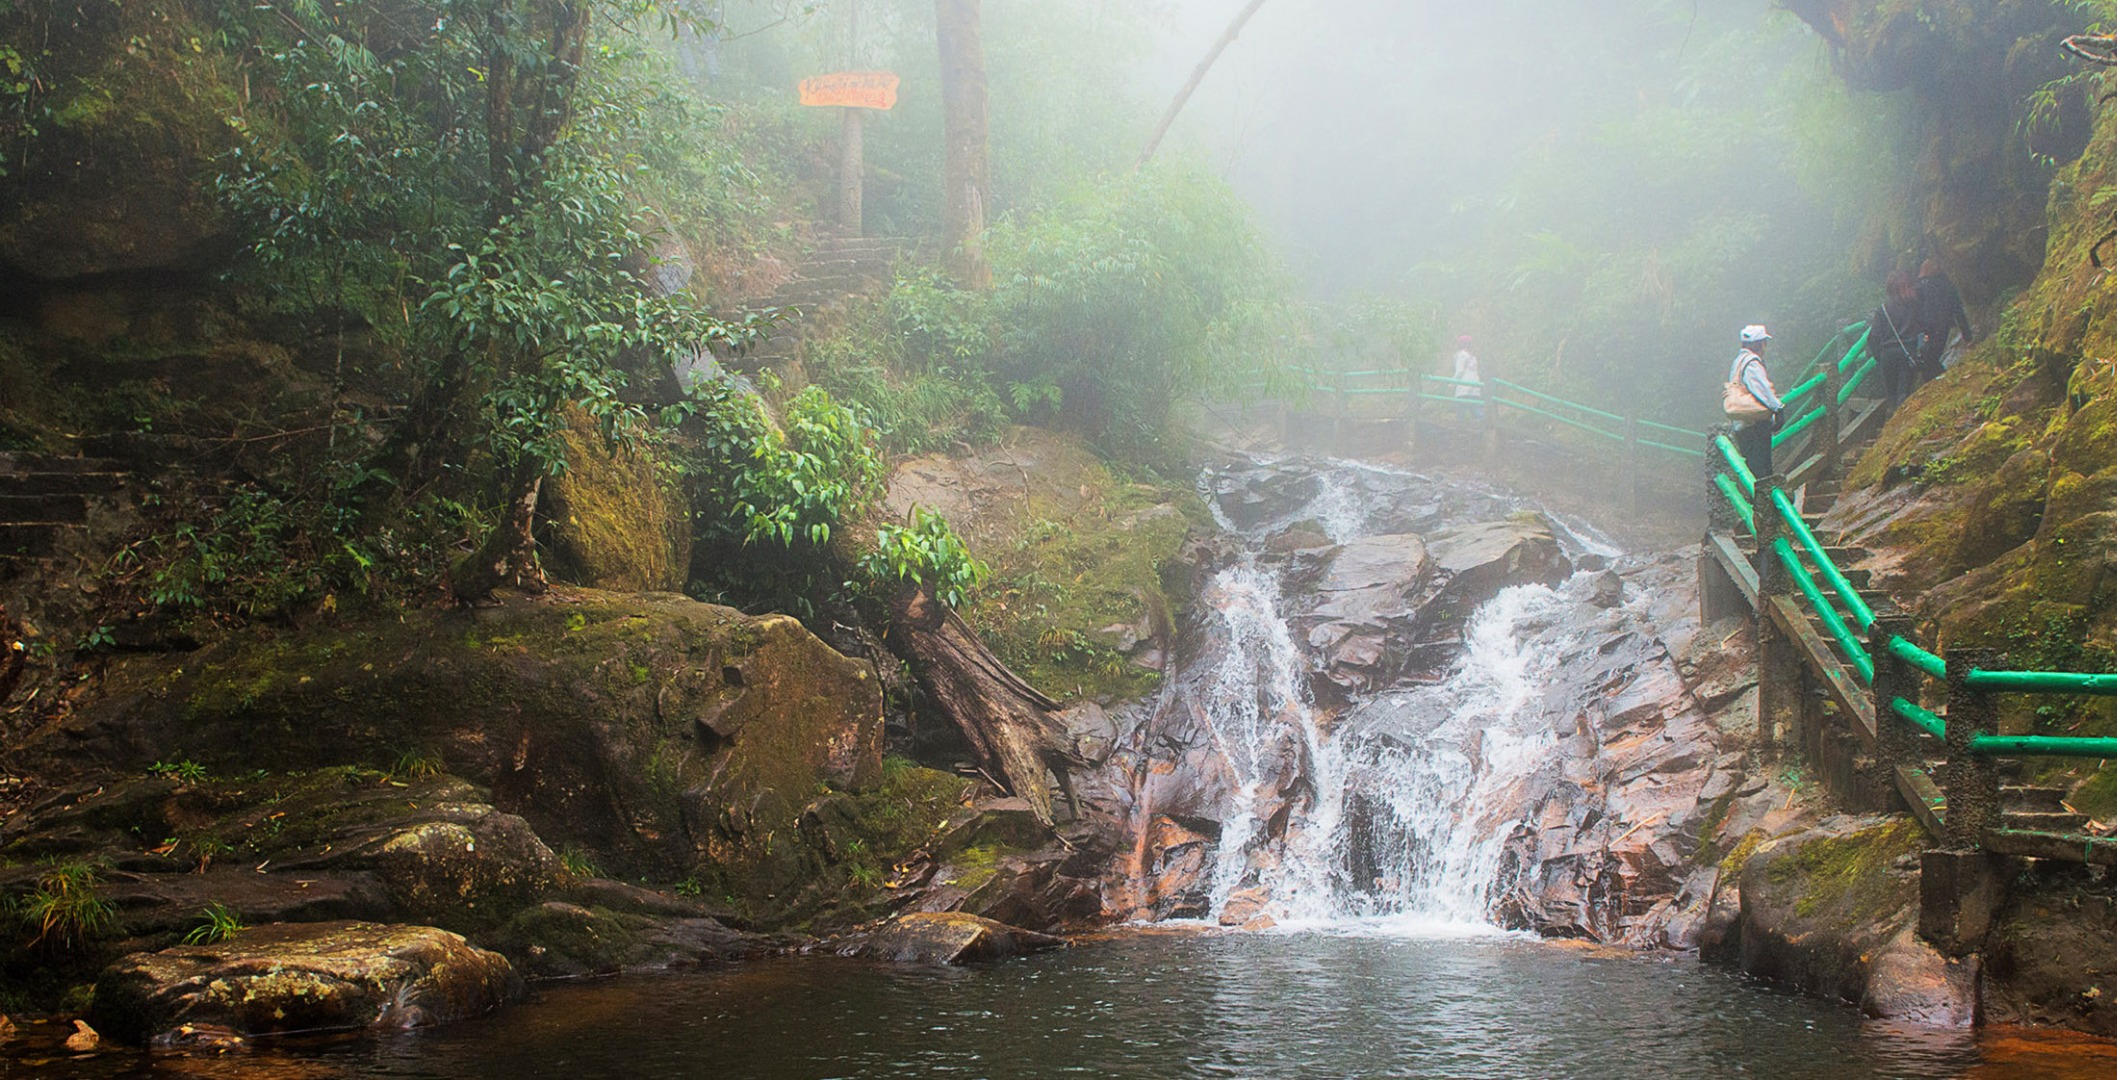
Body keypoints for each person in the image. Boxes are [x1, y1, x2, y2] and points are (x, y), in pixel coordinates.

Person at [1729, 325, 1784, 481]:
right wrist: (1778, 408)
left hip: (1742, 424)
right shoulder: (1752, 363)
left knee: (1752, 467)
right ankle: (1762, 502)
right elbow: (1762, 390)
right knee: (1761, 469)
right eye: (1764, 342)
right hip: (1755, 424)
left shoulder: (1738, 362)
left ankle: (1757, 501)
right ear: (1758, 344)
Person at [1869, 270, 1923, 414]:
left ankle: (1892, 422)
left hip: (1887, 355)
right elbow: (1922, 326)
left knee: (1891, 395)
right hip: (1907, 352)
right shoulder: (1914, 305)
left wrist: (1879, 357)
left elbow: (1873, 336)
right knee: (1904, 392)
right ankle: (1902, 424)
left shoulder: (1883, 309)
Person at [1914, 258, 1973, 381]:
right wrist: (1967, 335)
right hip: (1941, 327)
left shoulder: (1917, 288)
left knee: (1926, 361)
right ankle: (1943, 378)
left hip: (1922, 330)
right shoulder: (1946, 286)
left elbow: (1912, 311)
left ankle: (1940, 380)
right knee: (1931, 359)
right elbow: (1958, 310)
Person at [1451, 335, 1484, 420]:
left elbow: (1460, 371)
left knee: (1461, 411)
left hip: (1463, 387)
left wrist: (1451, 383)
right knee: (1476, 409)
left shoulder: (1461, 355)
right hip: (1475, 386)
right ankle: (1483, 425)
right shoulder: (1473, 357)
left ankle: (1459, 428)